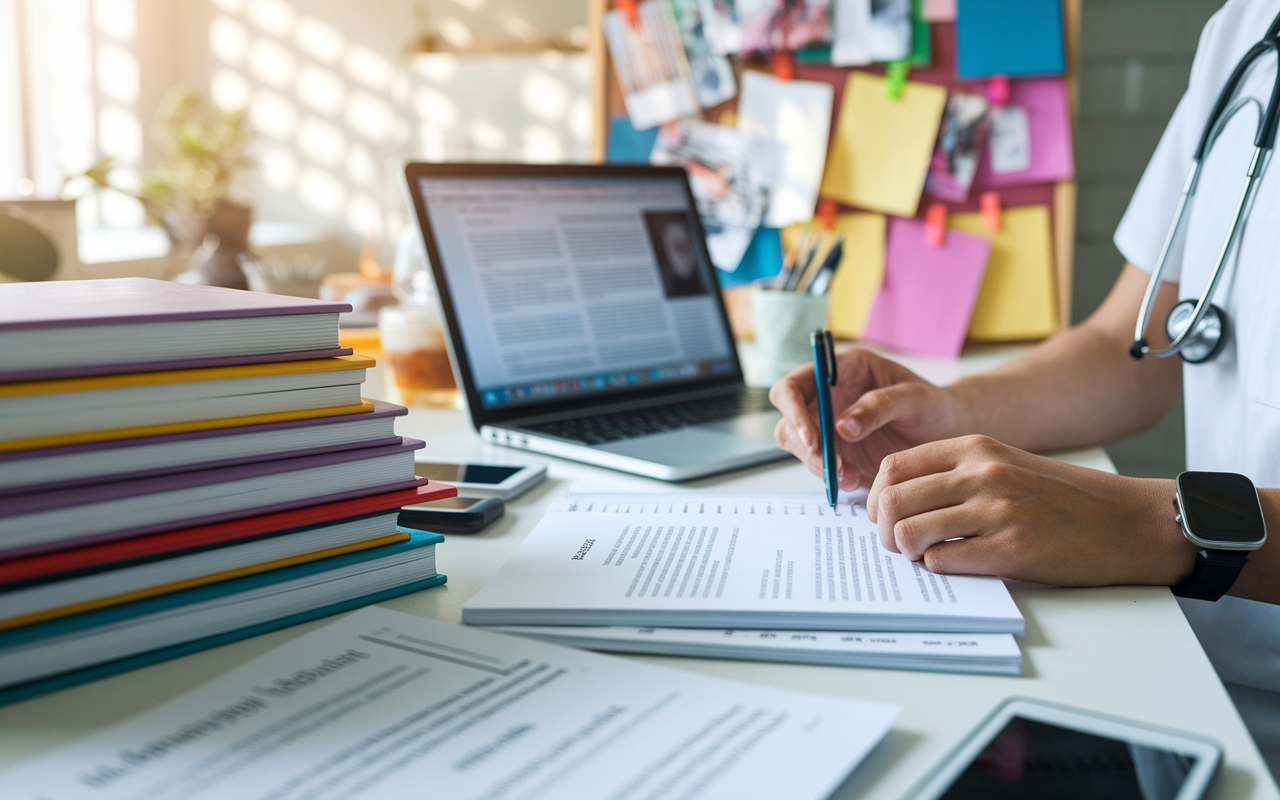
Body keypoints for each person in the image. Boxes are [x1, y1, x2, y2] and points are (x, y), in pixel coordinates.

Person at [770, 0, 1280, 775]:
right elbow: (1127, 346)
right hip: (1203, 675)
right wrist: (945, 410)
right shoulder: (1245, 30)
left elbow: (1146, 511)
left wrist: (1155, 526)